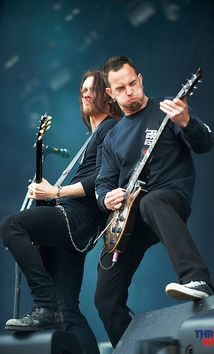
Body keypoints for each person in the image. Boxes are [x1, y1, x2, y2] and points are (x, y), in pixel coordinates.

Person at [94, 56, 214, 348]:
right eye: (120, 88)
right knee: (105, 298)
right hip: (129, 217)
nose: (129, 91)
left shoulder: (166, 110)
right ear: (110, 93)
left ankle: (197, 280)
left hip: (169, 197)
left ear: (141, 79)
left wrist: (185, 122)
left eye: (132, 83)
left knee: (153, 201)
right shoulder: (112, 137)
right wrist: (105, 198)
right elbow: (102, 182)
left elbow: (204, 144)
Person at [0, 70, 121, 354]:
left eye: (93, 89)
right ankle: (53, 310)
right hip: (76, 225)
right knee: (68, 312)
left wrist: (54, 193)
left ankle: (43, 304)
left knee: (11, 226)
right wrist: (49, 198)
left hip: (77, 219)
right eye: (83, 89)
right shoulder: (94, 136)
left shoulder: (110, 128)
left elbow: (102, 180)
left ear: (107, 95)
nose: (85, 93)